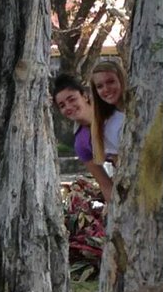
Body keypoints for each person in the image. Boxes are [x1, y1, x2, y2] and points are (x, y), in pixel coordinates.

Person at [52, 73, 113, 202]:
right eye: (62, 105)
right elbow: (105, 184)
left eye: (72, 99)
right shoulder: (82, 143)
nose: (68, 107)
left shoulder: (112, 111)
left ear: (85, 96)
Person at [89, 60, 127, 169]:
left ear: (121, 80)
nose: (106, 89)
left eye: (110, 82)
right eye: (100, 86)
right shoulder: (107, 125)